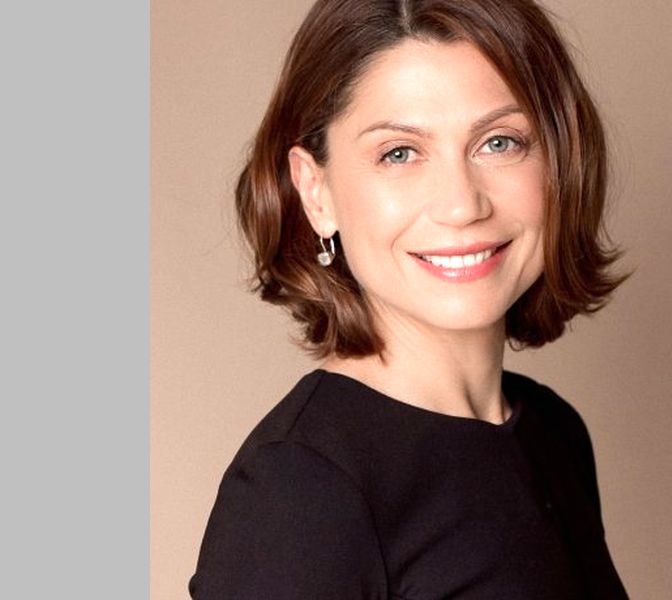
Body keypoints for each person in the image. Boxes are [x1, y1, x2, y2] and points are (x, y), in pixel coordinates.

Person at [190, 0, 629, 597]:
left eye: (499, 142)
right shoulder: (300, 486)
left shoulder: (552, 430)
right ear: (316, 191)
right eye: (399, 153)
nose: (462, 204)